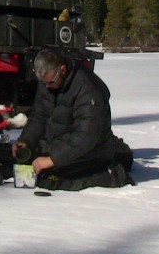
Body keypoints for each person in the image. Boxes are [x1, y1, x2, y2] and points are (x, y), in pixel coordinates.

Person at [14, 49, 134, 191]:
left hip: (90, 151)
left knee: (56, 181)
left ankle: (113, 174)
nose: (46, 87)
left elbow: (86, 136)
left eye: (50, 82)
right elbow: (38, 117)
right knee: (19, 165)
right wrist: (26, 141)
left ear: (63, 70)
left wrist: (52, 160)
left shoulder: (88, 89)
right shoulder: (48, 82)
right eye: (43, 82)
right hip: (60, 144)